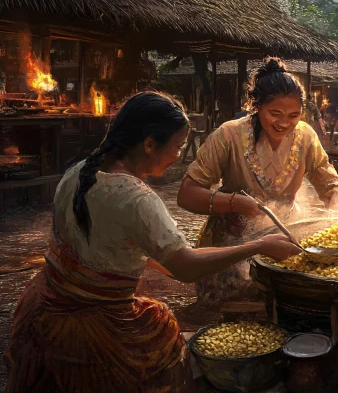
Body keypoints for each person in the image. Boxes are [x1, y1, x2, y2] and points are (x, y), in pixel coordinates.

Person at [4, 92, 300, 392]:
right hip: (96, 327)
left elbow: (116, 248)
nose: (179, 155)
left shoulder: (77, 172)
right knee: (163, 339)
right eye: (178, 146)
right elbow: (185, 267)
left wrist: (178, 259)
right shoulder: (136, 199)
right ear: (149, 144)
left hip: (43, 307)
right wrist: (258, 246)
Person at [177, 59, 338, 303]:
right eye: (275, 114)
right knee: (236, 316)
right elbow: (187, 194)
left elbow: (330, 183)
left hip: (285, 236)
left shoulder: (306, 136)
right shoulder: (229, 134)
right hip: (232, 243)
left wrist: (337, 209)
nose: (284, 123)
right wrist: (236, 203)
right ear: (256, 106)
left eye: (294, 115)